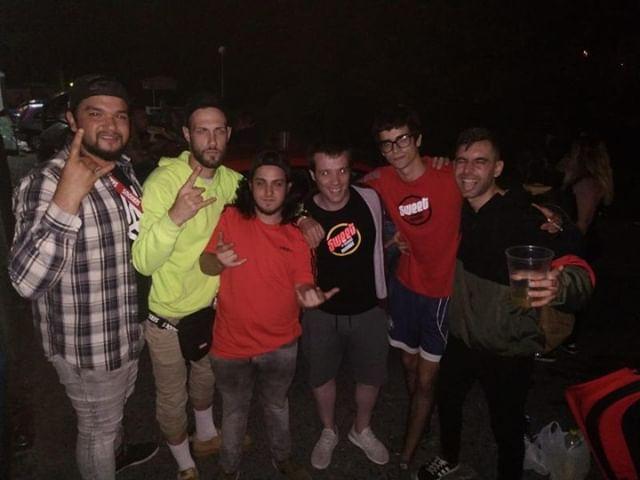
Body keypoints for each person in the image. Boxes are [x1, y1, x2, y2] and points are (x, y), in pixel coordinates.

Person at [417, 128, 594, 480]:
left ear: (497, 168)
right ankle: (449, 457)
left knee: (506, 423)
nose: (467, 171)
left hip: (509, 347)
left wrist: (560, 285)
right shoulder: (458, 208)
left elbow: (579, 269)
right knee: (447, 400)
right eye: (461, 161)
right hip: (463, 337)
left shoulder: (523, 217)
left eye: (479, 162)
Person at [8, 74, 158, 480]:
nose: (111, 125)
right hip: (87, 344)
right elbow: (25, 282)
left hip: (126, 327)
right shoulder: (46, 182)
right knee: (97, 428)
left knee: (114, 413)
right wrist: (68, 198)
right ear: (73, 120)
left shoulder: (121, 169)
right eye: (96, 114)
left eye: (120, 116)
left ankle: (116, 454)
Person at [200, 151, 337, 480]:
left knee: (277, 405)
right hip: (230, 344)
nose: (268, 191)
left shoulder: (296, 235)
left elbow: (303, 281)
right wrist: (218, 260)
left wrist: (309, 294)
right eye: (261, 183)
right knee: (234, 411)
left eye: (277, 184)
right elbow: (206, 263)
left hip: (281, 344)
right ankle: (228, 469)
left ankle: (283, 458)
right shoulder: (232, 217)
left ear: (288, 188)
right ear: (250, 186)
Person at [131, 93, 243, 480]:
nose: (211, 140)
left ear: (228, 134)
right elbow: (143, 261)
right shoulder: (163, 183)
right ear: (186, 135)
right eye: (201, 131)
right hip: (167, 317)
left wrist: (306, 217)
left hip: (210, 310)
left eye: (218, 131)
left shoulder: (232, 183)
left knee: (206, 378)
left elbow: (273, 204)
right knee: (172, 395)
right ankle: (184, 462)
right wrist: (176, 215)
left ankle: (207, 435)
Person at [363, 104, 462, 474]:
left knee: (425, 376)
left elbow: (491, 192)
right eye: (387, 144)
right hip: (404, 286)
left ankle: (407, 451)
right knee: (407, 362)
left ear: (418, 140)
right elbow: (338, 189)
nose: (396, 150)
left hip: (441, 292)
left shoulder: (449, 175)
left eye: (403, 139)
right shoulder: (381, 179)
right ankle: (422, 412)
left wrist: (546, 215)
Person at [301, 142, 389, 470]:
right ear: (313, 176)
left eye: (341, 171)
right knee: (321, 376)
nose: (335, 181)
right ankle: (328, 430)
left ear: (351, 171)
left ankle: (361, 429)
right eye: (325, 173)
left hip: (369, 309)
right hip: (321, 314)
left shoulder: (370, 198)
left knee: (371, 376)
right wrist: (300, 218)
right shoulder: (302, 208)